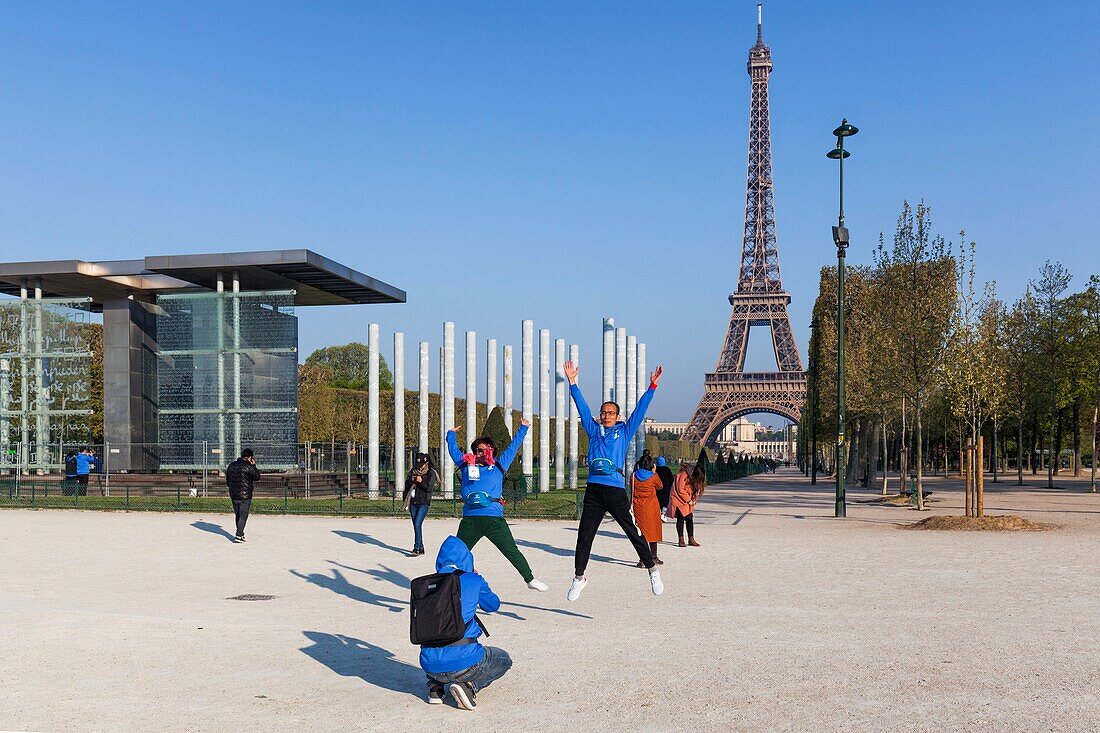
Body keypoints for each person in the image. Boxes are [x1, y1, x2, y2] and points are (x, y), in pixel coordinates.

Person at [563, 359, 664, 601]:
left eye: (610, 412)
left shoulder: (624, 431)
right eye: (603, 412)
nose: (605, 415)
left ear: (618, 416)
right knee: (584, 535)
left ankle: (652, 570)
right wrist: (573, 383)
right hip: (594, 490)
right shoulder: (593, 429)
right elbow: (582, 409)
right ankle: (579, 578)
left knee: (632, 531)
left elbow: (640, 411)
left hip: (616, 490)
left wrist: (651, 387)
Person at [447, 420, 548, 592]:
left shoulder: (499, 466)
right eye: (478, 450)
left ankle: (530, 579)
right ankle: (455, 583)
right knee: (457, 553)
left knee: (511, 551)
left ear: (492, 451)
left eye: (486, 450)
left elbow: (513, 448)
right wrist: (451, 434)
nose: (481, 453)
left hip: (494, 519)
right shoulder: (465, 466)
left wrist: (523, 428)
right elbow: (453, 451)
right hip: (471, 519)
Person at [420, 536, 511, 710]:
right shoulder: (472, 580)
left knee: (437, 640)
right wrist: (478, 579)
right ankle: (468, 687)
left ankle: (435, 687)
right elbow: (493, 605)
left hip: (428, 664)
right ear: (466, 559)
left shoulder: (426, 584)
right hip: (465, 664)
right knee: (504, 659)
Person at [630, 454, 664, 566]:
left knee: (641, 534)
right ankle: (653, 556)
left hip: (638, 507)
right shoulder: (653, 477)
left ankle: (642, 559)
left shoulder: (633, 476)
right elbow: (660, 487)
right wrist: (654, 472)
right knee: (653, 532)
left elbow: (631, 486)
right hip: (651, 507)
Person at [402, 452, 439, 556]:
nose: (419, 466)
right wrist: (412, 481)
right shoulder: (412, 471)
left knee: (417, 523)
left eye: (421, 464)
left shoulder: (430, 473)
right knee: (416, 525)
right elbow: (407, 485)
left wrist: (420, 481)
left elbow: (428, 488)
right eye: (417, 464)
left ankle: (416, 548)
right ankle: (421, 547)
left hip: (423, 502)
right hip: (413, 501)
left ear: (426, 463)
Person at [667, 462, 706, 547]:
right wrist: (689, 500)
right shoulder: (683, 475)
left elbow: (695, 490)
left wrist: (694, 499)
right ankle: (681, 539)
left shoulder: (692, 476)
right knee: (681, 518)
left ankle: (691, 538)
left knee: (689, 518)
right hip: (678, 499)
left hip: (686, 500)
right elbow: (680, 489)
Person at [225, 448, 260, 542]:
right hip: (245, 495)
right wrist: (254, 465)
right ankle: (239, 534)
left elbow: (228, 480)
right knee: (243, 515)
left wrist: (231, 489)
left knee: (238, 515)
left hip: (234, 494)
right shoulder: (248, 466)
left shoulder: (231, 465)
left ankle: (240, 533)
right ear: (250, 457)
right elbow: (257, 476)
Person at [655, 456, 674, 522]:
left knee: (658, 501)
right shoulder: (667, 469)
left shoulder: (655, 470)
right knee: (665, 502)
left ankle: (658, 513)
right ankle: (663, 514)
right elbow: (671, 479)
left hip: (657, 489)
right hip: (666, 489)